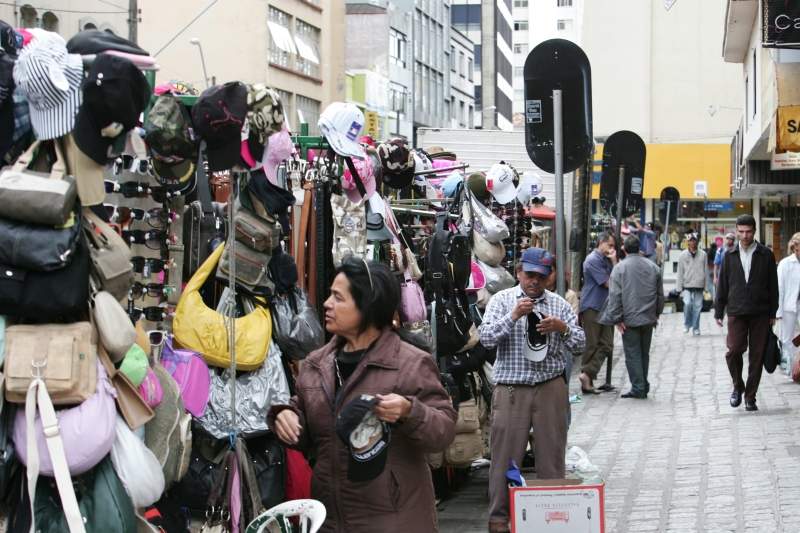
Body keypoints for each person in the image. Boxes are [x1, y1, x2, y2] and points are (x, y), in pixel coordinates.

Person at [269, 258, 457, 533]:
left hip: (393, 520)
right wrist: (287, 416)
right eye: (330, 296)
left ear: (368, 304)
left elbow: (443, 431)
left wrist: (409, 411)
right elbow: (308, 422)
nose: (326, 304)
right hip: (329, 520)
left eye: (338, 298)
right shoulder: (317, 363)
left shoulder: (409, 363)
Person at [479, 247, 585, 533]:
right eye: (529, 275)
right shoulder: (502, 300)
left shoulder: (559, 304)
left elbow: (580, 344)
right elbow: (486, 339)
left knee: (552, 455)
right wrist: (513, 316)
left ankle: (551, 518)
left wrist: (562, 329)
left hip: (550, 386)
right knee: (504, 455)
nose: (535, 281)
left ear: (550, 276)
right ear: (518, 272)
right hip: (512, 389)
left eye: (541, 276)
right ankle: (499, 520)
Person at [714, 214, 779, 412]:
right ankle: (738, 386)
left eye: (748, 232)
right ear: (736, 230)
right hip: (736, 310)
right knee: (734, 350)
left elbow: (773, 285)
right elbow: (723, 284)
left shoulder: (766, 255)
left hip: (760, 312)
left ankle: (750, 397)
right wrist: (719, 310)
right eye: (741, 231)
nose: (744, 235)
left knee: (757, 356)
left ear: (754, 231)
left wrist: (773, 311)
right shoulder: (729, 255)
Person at [597, 235, 664, 399]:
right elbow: (660, 295)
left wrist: (617, 319)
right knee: (644, 353)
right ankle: (643, 384)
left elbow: (615, 295)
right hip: (648, 317)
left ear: (624, 249)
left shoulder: (620, 268)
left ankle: (639, 387)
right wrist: (656, 313)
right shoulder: (653, 267)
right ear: (639, 248)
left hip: (629, 318)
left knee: (633, 354)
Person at [579, 231, 618, 394]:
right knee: (591, 344)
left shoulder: (607, 259)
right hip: (592, 305)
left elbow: (618, 277)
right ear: (601, 242)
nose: (612, 249)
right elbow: (610, 283)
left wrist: (614, 260)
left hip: (605, 307)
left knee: (607, 344)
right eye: (610, 245)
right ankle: (587, 381)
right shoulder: (593, 260)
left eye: (614, 246)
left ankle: (587, 374)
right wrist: (614, 261)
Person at [676, 233, 709, 335]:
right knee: (687, 303)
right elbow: (680, 271)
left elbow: (706, 271)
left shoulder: (703, 254)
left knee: (698, 306)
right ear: (688, 242)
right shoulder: (683, 255)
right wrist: (679, 287)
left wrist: (706, 287)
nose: (693, 242)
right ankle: (687, 324)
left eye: (694, 240)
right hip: (687, 283)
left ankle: (696, 328)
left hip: (699, 283)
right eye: (691, 240)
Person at [776, 233, 800, 370]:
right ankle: (789, 369)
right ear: (796, 246)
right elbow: (780, 288)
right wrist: (778, 311)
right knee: (787, 339)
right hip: (788, 305)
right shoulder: (785, 263)